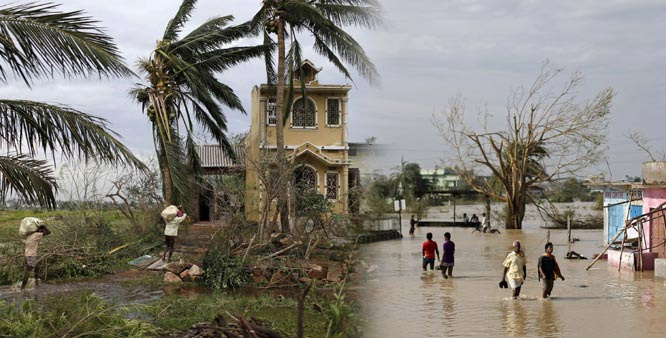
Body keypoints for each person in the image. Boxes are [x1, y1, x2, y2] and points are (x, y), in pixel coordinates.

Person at [20, 217, 51, 290]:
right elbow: (48, 232)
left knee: (37, 267)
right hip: (31, 256)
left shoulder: (29, 235)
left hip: (27, 255)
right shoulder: (36, 235)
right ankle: (22, 287)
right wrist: (41, 226)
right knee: (28, 270)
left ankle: (36, 283)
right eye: (40, 229)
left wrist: (38, 228)